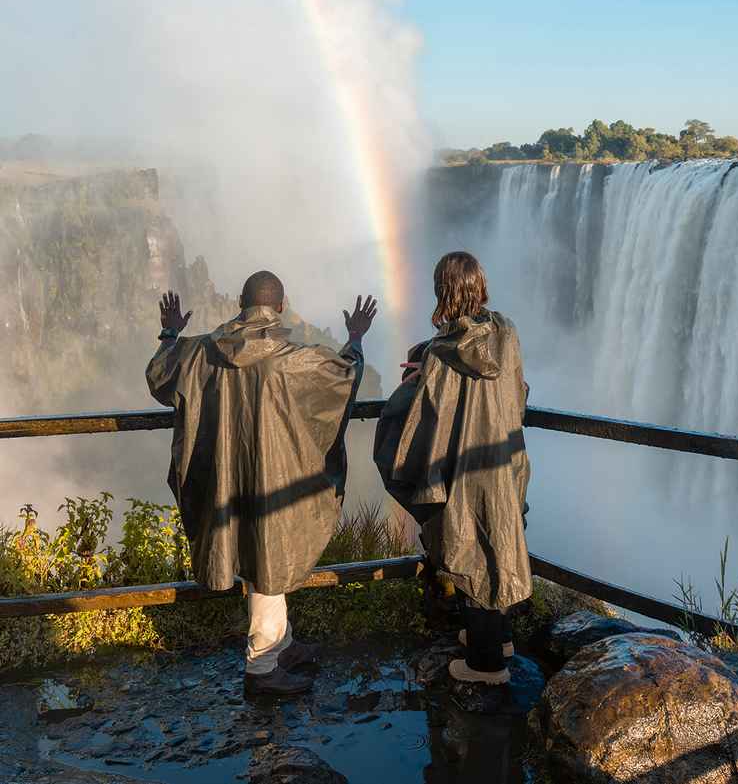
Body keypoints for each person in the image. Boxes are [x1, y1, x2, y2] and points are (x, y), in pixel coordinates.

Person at [146, 272, 377, 696]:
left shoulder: (199, 353)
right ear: (282, 307)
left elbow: (160, 376)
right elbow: (345, 377)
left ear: (239, 302)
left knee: (262, 556)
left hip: (223, 480)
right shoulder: (294, 359)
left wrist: (170, 332)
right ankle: (262, 669)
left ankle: (282, 644)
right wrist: (357, 337)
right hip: (273, 478)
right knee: (268, 556)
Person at [374, 251, 531, 686]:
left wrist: (410, 384)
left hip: (462, 467)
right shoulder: (507, 333)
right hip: (504, 459)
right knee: (496, 539)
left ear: (443, 292)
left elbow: (423, 419)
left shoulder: (440, 353)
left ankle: (486, 667)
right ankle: (497, 639)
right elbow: (517, 393)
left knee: (469, 547)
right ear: (480, 286)